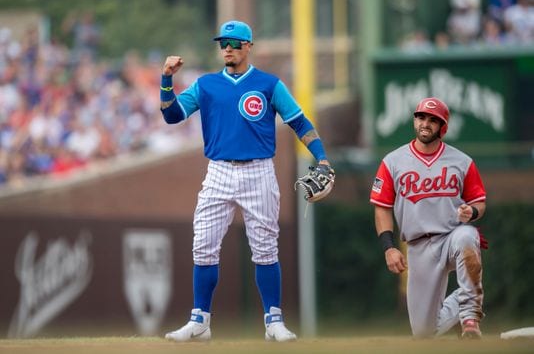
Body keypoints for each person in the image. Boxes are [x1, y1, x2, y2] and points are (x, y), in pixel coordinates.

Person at [160, 20, 332, 342]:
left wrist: (321, 157)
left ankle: (273, 321)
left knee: (265, 249)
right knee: (203, 246)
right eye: (223, 42)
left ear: (248, 46)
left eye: (234, 43)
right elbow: (171, 116)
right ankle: (200, 321)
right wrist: (166, 79)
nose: (227, 48)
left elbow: (299, 122)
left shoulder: (269, 84)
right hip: (219, 170)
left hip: (259, 170)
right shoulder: (206, 84)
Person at [369, 97, 487, 339]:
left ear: (442, 127)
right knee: (424, 333)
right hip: (418, 245)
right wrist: (389, 248)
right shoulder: (392, 162)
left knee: (467, 237)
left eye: (434, 120)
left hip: (452, 235)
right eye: (422, 117)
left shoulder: (462, 161)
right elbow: (382, 208)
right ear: (415, 120)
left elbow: (479, 201)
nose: (426, 123)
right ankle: (469, 294)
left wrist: (472, 212)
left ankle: (470, 320)